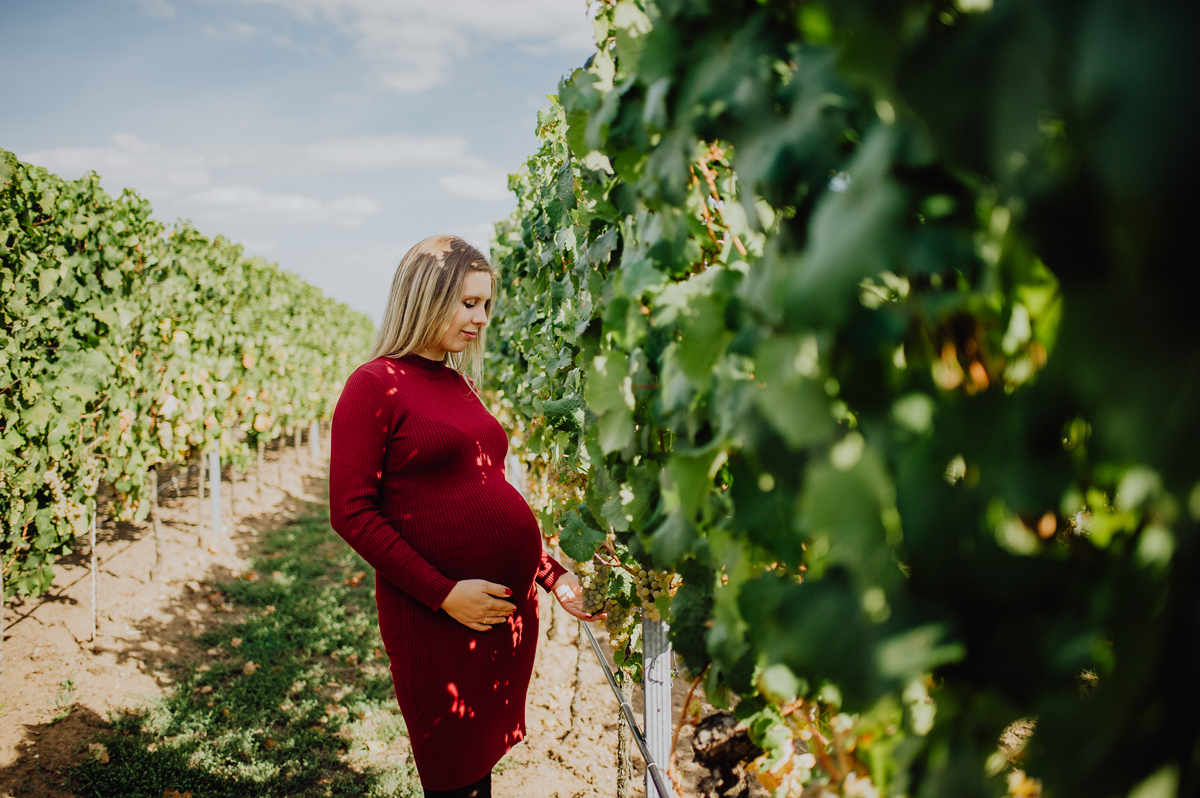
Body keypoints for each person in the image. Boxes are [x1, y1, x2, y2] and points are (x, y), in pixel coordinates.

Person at [328, 235, 597, 798]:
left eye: (486, 305)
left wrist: (550, 574)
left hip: (498, 621)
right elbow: (352, 513)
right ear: (425, 296)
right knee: (454, 778)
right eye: (467, 303)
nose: (479, 319)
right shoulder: (374, 385)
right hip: (437, 621)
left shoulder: (460, 384)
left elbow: (485, 487)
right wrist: (444, 593)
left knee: (478, 774)